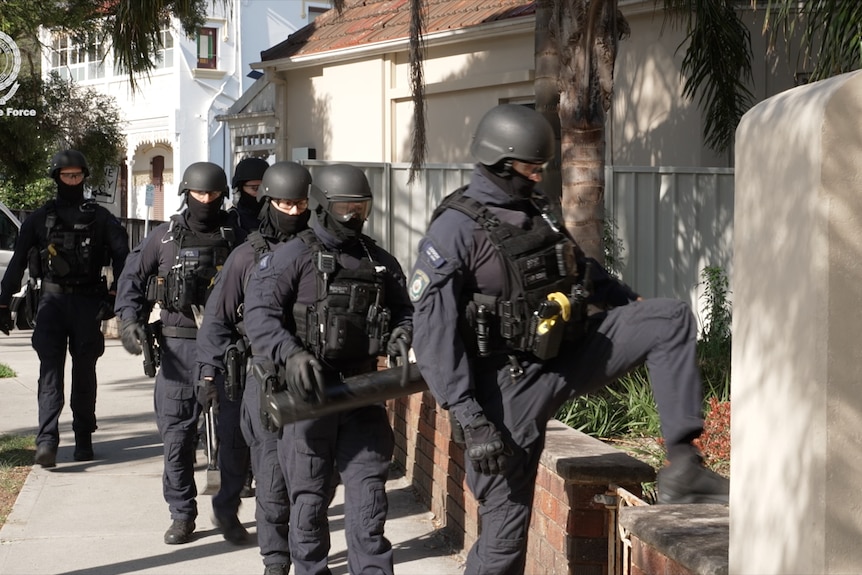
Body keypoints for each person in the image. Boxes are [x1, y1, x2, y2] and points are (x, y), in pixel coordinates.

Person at [408, 104, 730, 574]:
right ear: (501, 162)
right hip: (507, 388)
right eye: (530, 168)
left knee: (668, 319)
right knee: (504, 539)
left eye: (541, 167)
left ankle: (684, 468)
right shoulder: (456, 229)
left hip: (565, 354)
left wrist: (626, 300)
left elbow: (579, 268)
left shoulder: (537, 209)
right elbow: (432, 331)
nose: (538, 176)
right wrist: (470, 418)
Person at [244, 163, 413, 575]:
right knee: (309, 501)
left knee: (370, 497)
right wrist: (291, 354)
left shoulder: (378, 260)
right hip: (309, 398)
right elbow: (260, 316)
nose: (353, 217)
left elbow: (406, 310)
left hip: (363, 393)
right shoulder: (292, 257)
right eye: (345, 209)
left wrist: (403, 332)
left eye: (361, 208)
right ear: (322, 205)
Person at [114, 161, 247, 545]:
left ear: (223, 195)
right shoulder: (163, 239)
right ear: (187, 194)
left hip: (226, 349)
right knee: (176, 437)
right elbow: (132, 280)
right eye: (199, 193)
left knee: (232, 438)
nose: (206, 200)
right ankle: (181, 513)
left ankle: (227, 509)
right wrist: (130, 321)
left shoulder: (239, 239)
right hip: (178, 347)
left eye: (214, 194)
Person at [197, 161, 313, 574]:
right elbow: (217, 319)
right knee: (270, 472)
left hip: (312, 378)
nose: (294, 212)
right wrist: (207, 373)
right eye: (285, 204)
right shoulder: (246, 256)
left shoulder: (319, 252)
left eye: (301, 204)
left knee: (313, 476)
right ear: (267, 203)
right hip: (262, 376)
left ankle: (307, 554)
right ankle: (276, 558)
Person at [0, 149, 129, 467]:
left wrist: (116, 295)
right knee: (50, 374)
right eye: (67, 176)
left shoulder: (101, 218)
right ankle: (47, 441)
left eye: (77, 175)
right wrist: (3, 301)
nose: (72, 180)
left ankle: (84, 439)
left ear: (84, 177)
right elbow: (17, 263)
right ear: (56, 177)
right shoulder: (39, 219)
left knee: (84, 375)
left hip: (88, 304)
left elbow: (124, 257)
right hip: (51, 304)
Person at [231, 157, 270, 233]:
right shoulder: (233, 219)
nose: (260, 194)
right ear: (240, 188)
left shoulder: (277, 219)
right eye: (255, 188)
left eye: (264, 188)